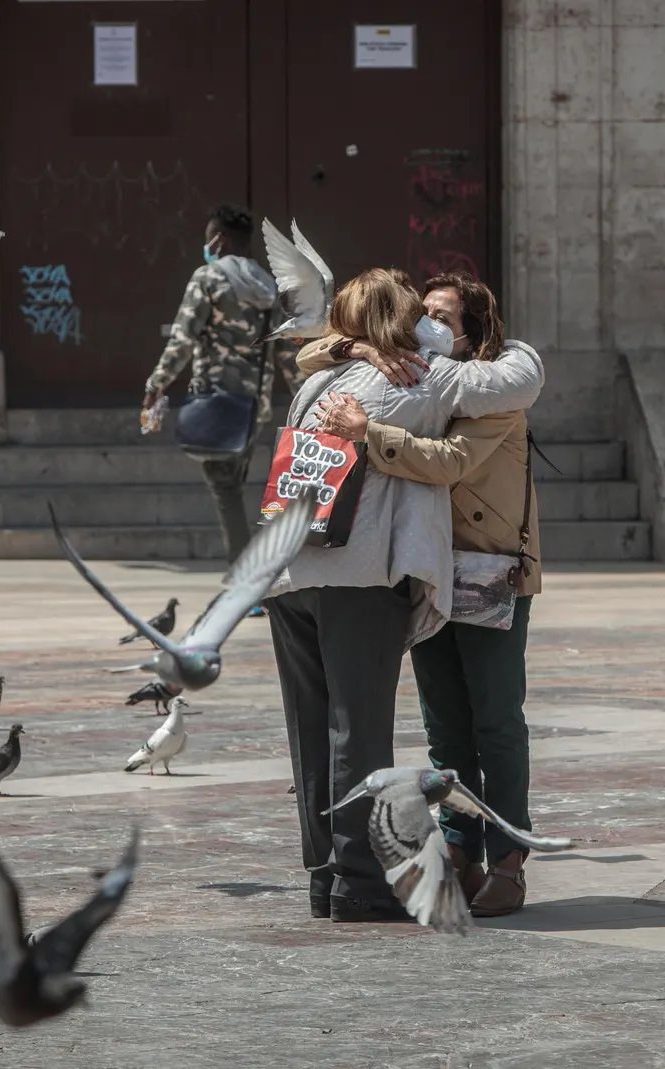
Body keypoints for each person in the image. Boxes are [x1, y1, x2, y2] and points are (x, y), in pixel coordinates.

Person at [269, 268, 542, 924]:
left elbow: (309, 350)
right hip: (357, 579)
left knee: (312, 731)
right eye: (423, 314)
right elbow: (523, 377)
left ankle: (325, 878)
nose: (433, 324)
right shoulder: (421, 376)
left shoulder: (317, 381)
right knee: (359, 739)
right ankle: (361, 881)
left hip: (289, 573)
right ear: (405, 322)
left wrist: (346, 347)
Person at [141, 204, 289, 559]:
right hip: (255, 407)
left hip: (216, 401)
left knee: (226, 488)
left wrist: (155, 385)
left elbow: (182, 340)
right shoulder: (268, 286)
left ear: (218, 241)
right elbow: (286, 350)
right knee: (232, 484)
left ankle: (244, 579)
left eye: (208, 239)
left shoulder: (207, 279)